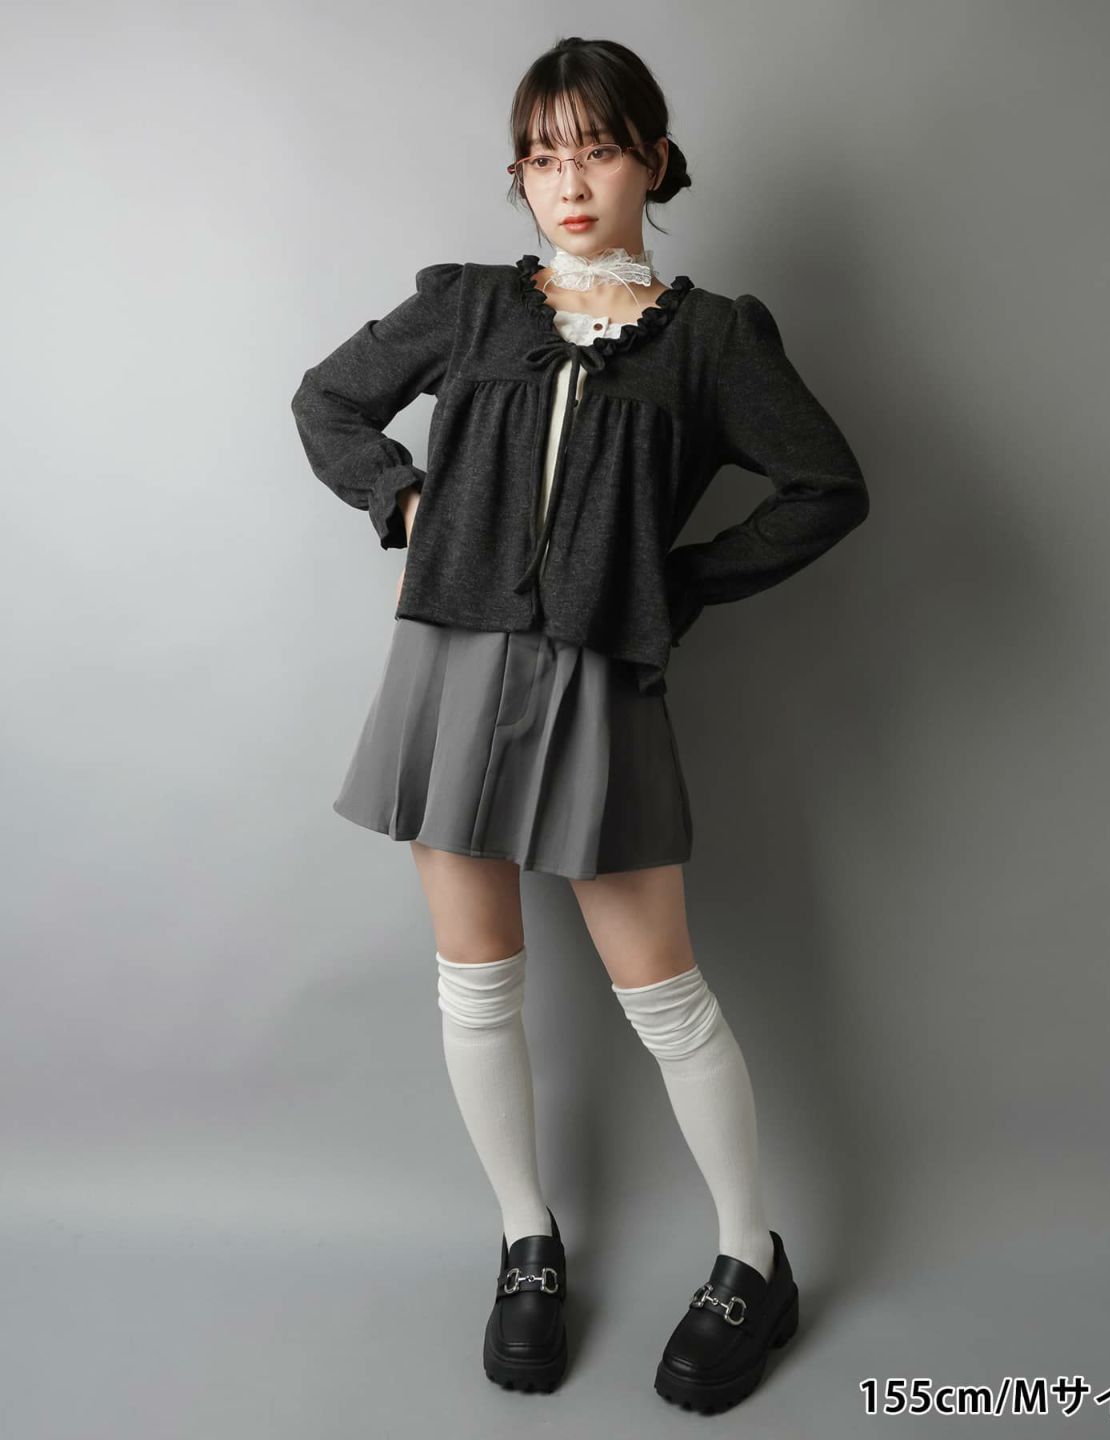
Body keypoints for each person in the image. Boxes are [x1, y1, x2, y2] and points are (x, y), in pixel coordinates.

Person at [290, 35, 869, 1414]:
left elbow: (825, 485)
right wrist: (403, 501)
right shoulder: (473, 306)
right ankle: (527, 1241)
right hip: (449, 674)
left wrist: (678, 582)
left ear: (652, 162)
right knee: (476, 982)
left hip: (603, 679)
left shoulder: (714, 338)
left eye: (596, 150)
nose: (568, 180)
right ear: (521, 174)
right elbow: (328, 402)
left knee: (663, 994)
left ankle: (751, 1257)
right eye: (542, 156)